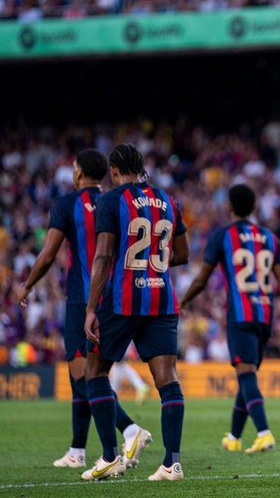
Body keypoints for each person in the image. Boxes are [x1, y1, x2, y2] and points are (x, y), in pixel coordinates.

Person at [14, 149, 152, 471]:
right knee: (88, 375)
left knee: (87, 379)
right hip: (115, 296)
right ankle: (77, 450)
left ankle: (130, 430)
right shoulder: (117, 200)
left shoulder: (66, 204)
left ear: (77, 172)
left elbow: (49, 254)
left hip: (82, 299)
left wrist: (28, 285)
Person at [83, 143, 190, 481]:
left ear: (114, 171)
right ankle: (171, 463)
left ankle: (110, 457)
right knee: (167, 380)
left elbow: (102, 256)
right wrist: (152, 266)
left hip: (122, 300)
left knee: (95, 373)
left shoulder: (111, 200)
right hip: (161, 299)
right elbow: (183, 253)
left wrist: (90, 307)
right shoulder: (169, 201)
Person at [180, 183, 280, 454]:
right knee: (248, 375)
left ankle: (264, 432)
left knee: (246, 375)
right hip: (265, 316)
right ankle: (233, 436)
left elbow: (202, 278)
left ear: (229, 206)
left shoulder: (222, 236)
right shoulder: (270, 237)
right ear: (255, 208)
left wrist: (184, 300)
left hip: (240, 316)